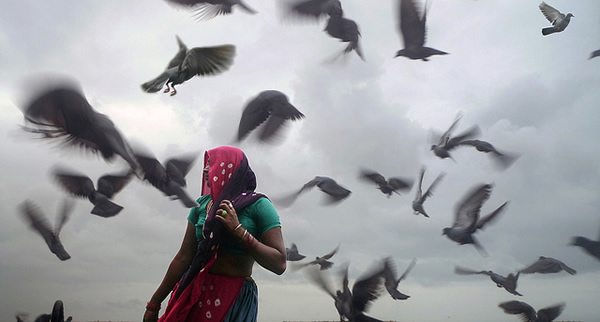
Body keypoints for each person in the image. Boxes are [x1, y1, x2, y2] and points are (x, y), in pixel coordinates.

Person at [143, 146, 286, 322]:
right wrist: (154, 304)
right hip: (195, 294)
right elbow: (183, 257)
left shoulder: (259, 205)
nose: (204, 169)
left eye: (211, 164)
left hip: (235, 299)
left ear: (229, 167)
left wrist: (239, 231)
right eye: (206, 164)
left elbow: (279, 263)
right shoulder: (202, 205)